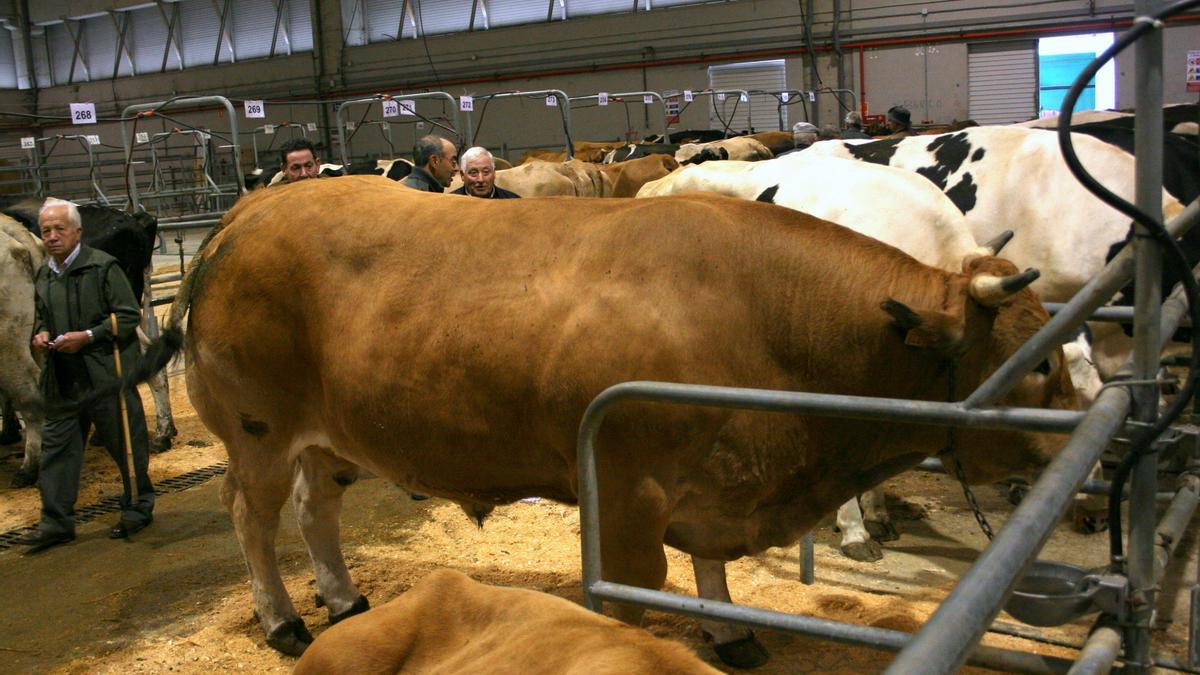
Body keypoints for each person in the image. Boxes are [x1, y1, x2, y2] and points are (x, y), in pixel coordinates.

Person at [15, 198, 155, 551]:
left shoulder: (103, 268)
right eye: (45, 230)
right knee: (57, 449)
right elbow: (43, 316)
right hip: (62, 378)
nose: (51, 236)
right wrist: (42, 334)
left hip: (104, 373)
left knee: (124, 441)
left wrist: (88, 336)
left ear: (78, 232)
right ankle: (56, 521)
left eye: (59, 229)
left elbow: (126, 316)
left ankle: (138, 507)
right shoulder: (45, 275)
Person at [451, 147, 521, 199]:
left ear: (494, 173)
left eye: (486, 172)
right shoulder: (449, 203)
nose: (481, 180)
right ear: (462, 175)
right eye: (474, 173)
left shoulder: (513, 201)